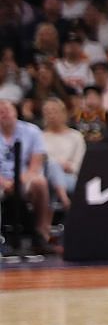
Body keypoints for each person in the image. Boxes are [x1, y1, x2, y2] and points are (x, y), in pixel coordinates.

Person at [0, 97, 51, 251]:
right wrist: (4, 182)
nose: (4, 114)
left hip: (24, 177)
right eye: (0, 112)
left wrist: (18, 181)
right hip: (2, 180)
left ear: (16, 112)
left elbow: (35, 165)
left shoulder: (32, 131)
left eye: (7, 110)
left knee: (39, 183)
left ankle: (40, 235)